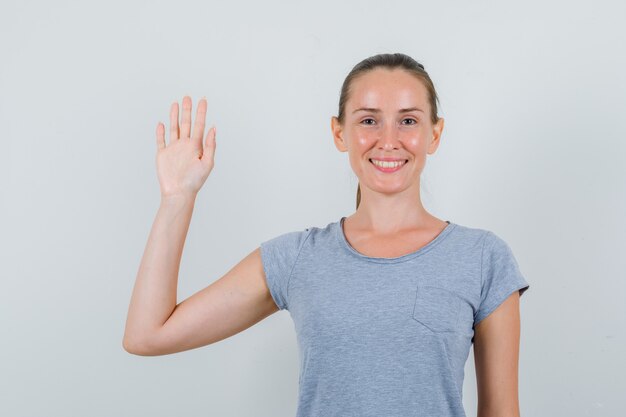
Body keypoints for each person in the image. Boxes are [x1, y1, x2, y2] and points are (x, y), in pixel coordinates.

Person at [123, 52, 530, 417]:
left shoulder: (482, 258)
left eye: (408, 120)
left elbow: (500, 411)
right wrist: (177, 198)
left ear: (434, 135)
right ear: (339, 133)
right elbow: (147, 335)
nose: (388, 140)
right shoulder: (299, 258)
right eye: (368, 120)